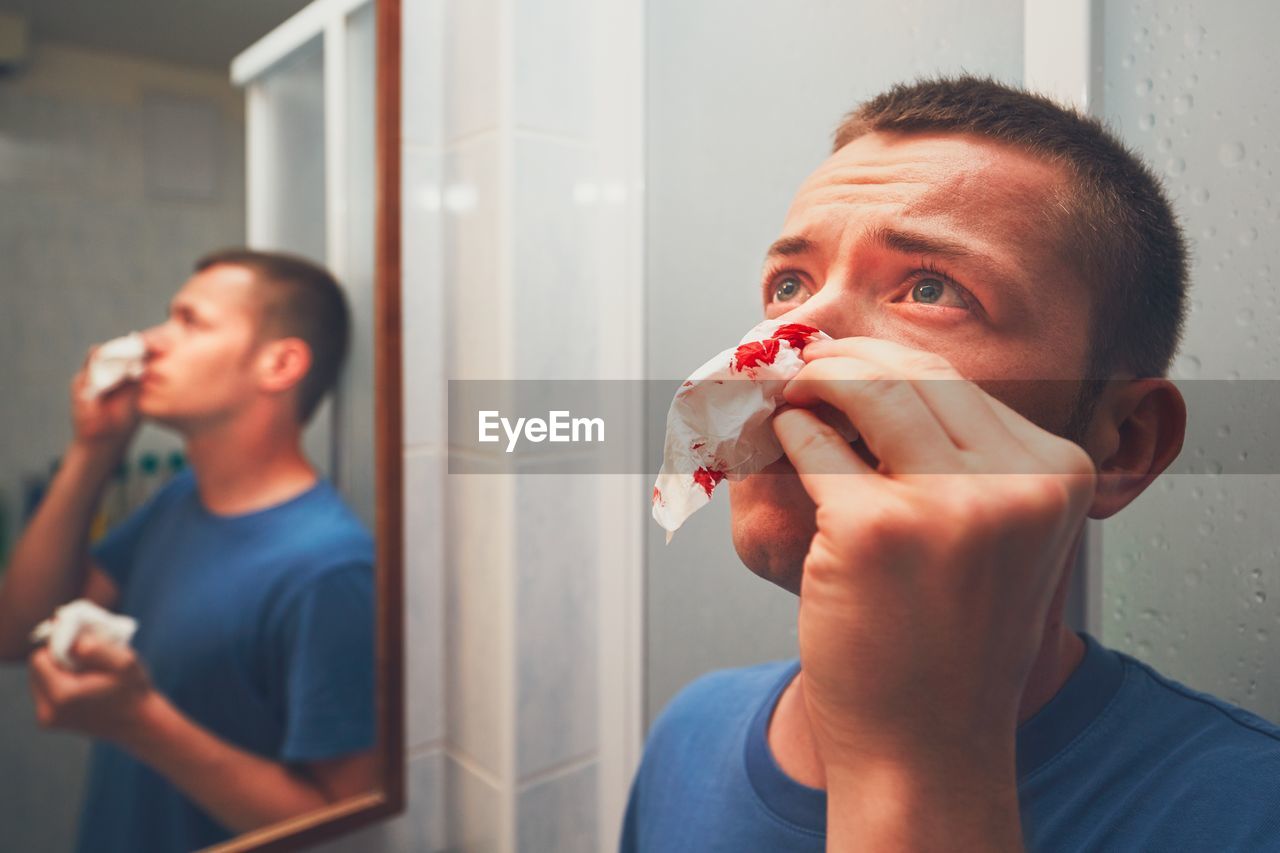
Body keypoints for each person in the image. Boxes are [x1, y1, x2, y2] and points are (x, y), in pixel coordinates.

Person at [622, 76, 1280, 851]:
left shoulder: (1247, 814)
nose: (785, 346)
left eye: (930, 288)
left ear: (1125, 442)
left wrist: (920, 765)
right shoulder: (688, 731)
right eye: (789, 285)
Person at [0, 249, 377, 853]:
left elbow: (348, 824)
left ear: (279, 364)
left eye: (190, 322)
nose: (151, 342)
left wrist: (139, 722)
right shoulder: (180, 503)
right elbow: (16, 631)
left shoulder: (329, 569)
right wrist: (94, 450)